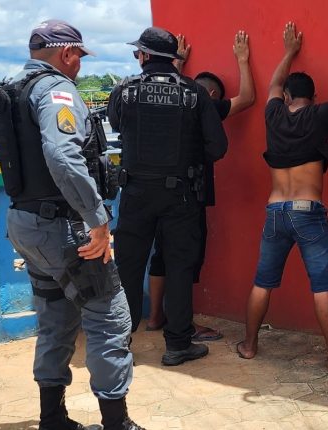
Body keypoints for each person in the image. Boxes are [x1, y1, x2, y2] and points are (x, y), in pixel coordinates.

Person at [0, 19, 143, 430]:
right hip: (65, 229)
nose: (80, 66)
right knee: (109, 319)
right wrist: (97, 219)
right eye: (79, 58)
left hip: (26, 225)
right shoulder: (56, 90)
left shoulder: (11, 88)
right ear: (67, 53)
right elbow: (62, 156)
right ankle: (117, 423)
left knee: (54, 320)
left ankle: (53, 418)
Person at [236, 20, 328, 372]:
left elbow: (273, 85)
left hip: (275, 211)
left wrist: (289, 52)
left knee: (262, 282)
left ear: (287, 97)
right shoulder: (321, 114)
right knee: (322, 286)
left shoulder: (273, 113)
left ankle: (249, 345)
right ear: (313, 98)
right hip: (308, 211)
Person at [109, 26, 229, 366]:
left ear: (145, 56)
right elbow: (218, 147)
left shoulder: (124, 91)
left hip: (135, 193)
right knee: (179, 268)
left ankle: (119, 346)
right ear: (171, 58)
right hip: (180, 195)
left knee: (129, 268)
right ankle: (177, 345)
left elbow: (116, 125)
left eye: (138, 52)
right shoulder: (194, 94)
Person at [145, 31, 256, 341]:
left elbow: (169, 87)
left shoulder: (171, 100)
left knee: (160, 254)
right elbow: (247, 98)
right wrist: (243, 60)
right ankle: (183, 325)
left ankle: (154, 317)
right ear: (213, 96)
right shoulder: (205, 104)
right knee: (183, 259)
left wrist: (176, 63)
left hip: (153, 191)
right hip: (189, 195)